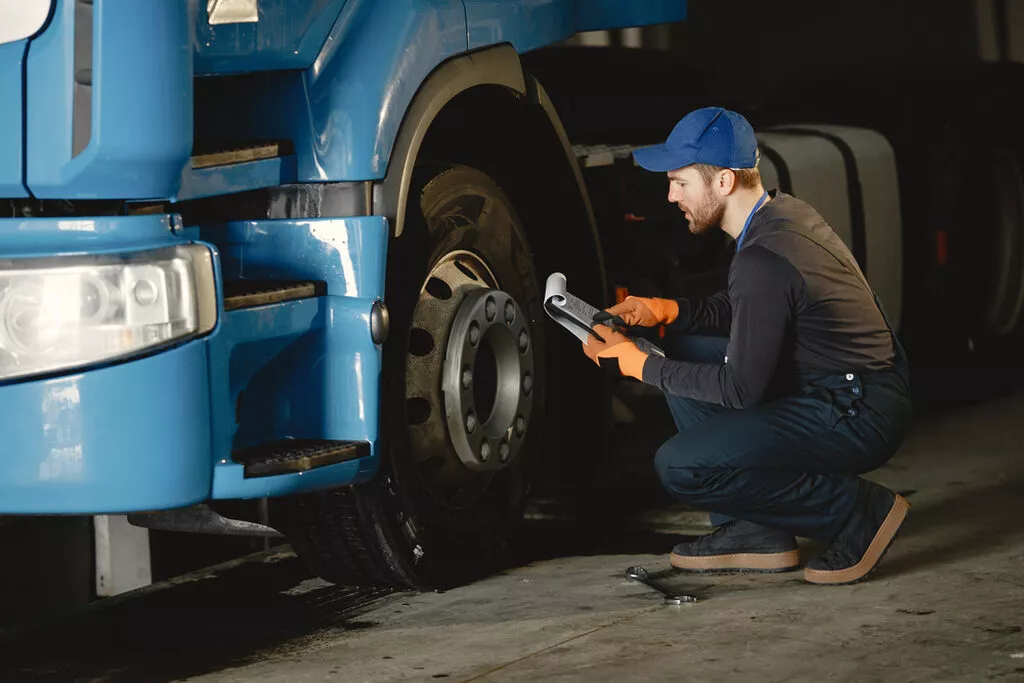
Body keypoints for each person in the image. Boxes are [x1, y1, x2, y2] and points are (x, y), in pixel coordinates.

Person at [581, 106, 913, 585]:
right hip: (858, 387)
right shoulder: (779, 214)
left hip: (857, 410)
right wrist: (666, 309)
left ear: (723, 182)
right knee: (685, 343)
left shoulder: (762, 257)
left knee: (679, 465)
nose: (671, 196)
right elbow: (752, 306)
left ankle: (857, 513)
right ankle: (755, 529)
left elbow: (742, 389)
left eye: (680, 182)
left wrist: (638, 366)